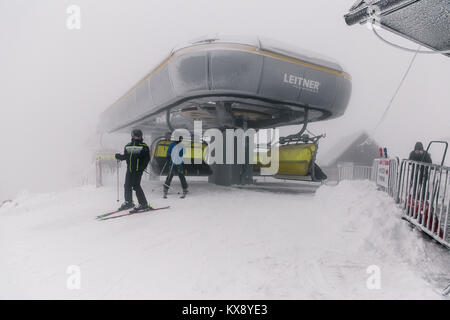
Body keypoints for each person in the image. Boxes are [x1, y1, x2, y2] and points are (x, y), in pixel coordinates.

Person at [115, 129, 151, 211]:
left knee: (136, 185)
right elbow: (126, 156)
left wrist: (142, 167)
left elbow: (147, 159)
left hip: (138, 170)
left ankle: (143, 203)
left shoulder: (144, 146)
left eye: (138, 135)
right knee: (127, 185)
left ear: (141, 136)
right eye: (135, 135)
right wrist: (119, 156)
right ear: (132, 136)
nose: (137, 137)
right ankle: (129, 202)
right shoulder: (128, 146)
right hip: (130, 169)